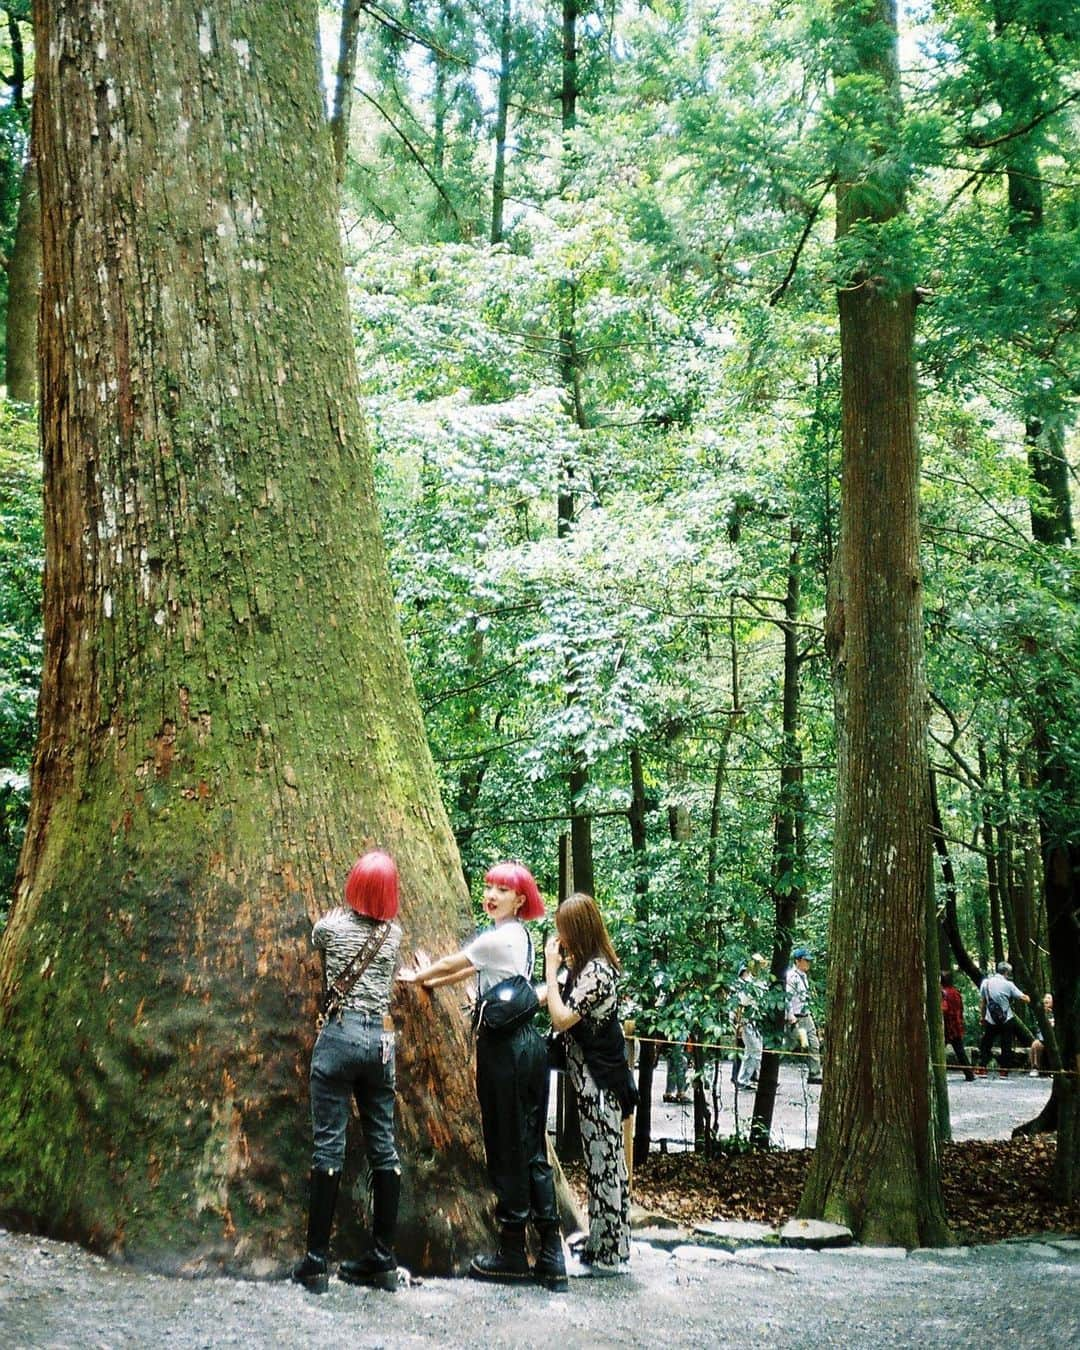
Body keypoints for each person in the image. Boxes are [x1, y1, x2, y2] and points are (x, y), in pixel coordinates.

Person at [399, 861, 566, 1292]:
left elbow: (454, 961)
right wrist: (431, 980)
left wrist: (419, 975)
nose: (491, 894)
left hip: (505, 1053)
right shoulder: (519, 939)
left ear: (521, 900)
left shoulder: (499, 937)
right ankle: (550, 1253)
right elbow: (468, 970)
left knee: (507, 1146)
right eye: (489, 886)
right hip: (528, 1046)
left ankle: (513, 1252)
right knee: (530, 1148)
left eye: (502, 890)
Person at [292, 850, 403, 1295]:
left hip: (339, 1038)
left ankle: (317, 1261)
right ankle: (383, 1258)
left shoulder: (332, 928)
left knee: (328, 1147)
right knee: (384, 1148)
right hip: (379, 1043)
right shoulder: (393, 935)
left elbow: (315, 936)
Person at [544, 894, 637, 1277]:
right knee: (602, 1166)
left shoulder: (597, 973)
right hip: (591, 1084)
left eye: (563, 930)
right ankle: (603, 1241)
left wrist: (550, 970)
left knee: (606, 1167)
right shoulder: (585, 969)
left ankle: (612, 1255)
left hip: (602, 1086)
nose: (559, 937)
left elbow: (563, 1018)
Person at [977, 960, 1031, 1073]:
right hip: (1006, 1019)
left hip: (991, 1019)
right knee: (1006, 1044)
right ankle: (1004, 1070)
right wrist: (1028, 995)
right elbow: (1024, 998)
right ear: (1006, 973)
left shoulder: (985, 983)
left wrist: (982, 1017)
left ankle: (982, 1067)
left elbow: (983, 1002)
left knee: (986, 1043)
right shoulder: (1008, 985)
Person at [785, 947, 822, 1083]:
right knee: (791, 1045)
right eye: (806, 960)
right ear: (797, 961)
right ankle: (767, 1071)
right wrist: (790, 1017)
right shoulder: (791, 976)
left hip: (806, 1015)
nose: (808, 963)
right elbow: (786, 998)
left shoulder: (804, 976)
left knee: (814, 1044)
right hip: (795, 1016)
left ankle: (814, 1074)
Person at [734, 954, 768, 1090]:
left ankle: (743, 1080)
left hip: (758, 1020)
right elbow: (740, 1004)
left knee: (750, 1052)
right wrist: (740, 1024)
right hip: (747, 1021)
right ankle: (763, 1080)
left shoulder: (761, 982)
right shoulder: (746, 983)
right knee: (756, 1051)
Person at [940, 970, 975, 1082]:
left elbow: (944, 1009)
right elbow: (961, 1008)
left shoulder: (942, 993)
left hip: (946, 1026)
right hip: (956, 1025)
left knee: (937, 1051)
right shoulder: (956, 992)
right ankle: (969, 1074)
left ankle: (937, 1074)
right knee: (960, 1051)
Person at [1028, 993, 1054, 1076]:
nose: (1046, 999)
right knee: (1035, 1045)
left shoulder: (1057, 1014)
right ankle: (1035, 1067)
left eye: (1049, 998)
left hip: (1054, 1039)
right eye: (1045, 997)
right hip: (1042, 1039)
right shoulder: (1040, 1013)